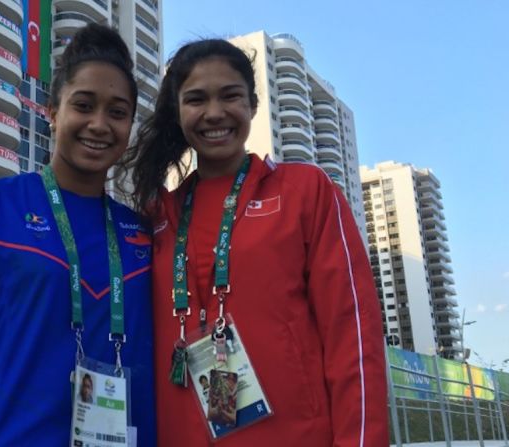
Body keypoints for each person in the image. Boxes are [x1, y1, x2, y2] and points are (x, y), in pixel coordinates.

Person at [127, 39, 388, 446]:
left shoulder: (306, 191)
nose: (214, 113)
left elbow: (352, 332)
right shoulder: (158, 216)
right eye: (196, 99)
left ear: (252, 103)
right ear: (177, 114)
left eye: (230, 96)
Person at [0, 23, 155, 447]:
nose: (99, 124)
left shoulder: (144, 234)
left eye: (117, 112)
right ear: (52, 111)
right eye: (84, 105)